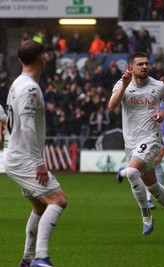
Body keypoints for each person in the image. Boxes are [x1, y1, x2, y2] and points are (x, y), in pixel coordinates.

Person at [108, 52, 164, 236]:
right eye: (140, 64)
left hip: (151, 139)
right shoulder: (122, 84)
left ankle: (146, 215)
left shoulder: (158, 86)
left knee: (131, 171)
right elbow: (112, 106)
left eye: (146, 64)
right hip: (131, 142)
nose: (144, 67)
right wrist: (125, 85)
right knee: (153, 186)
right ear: (131, 68)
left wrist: (163, 114)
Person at [4, 40, 67, 267]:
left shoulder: (18, 83)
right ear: (43, 57)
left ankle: (27, 260)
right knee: (58, 200)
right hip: (24, 159)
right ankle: (41, 257)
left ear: (20, 61)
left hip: (16, 156)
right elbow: (28, 126)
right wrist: (39, 162)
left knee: (40, 206)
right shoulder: (29, 87)